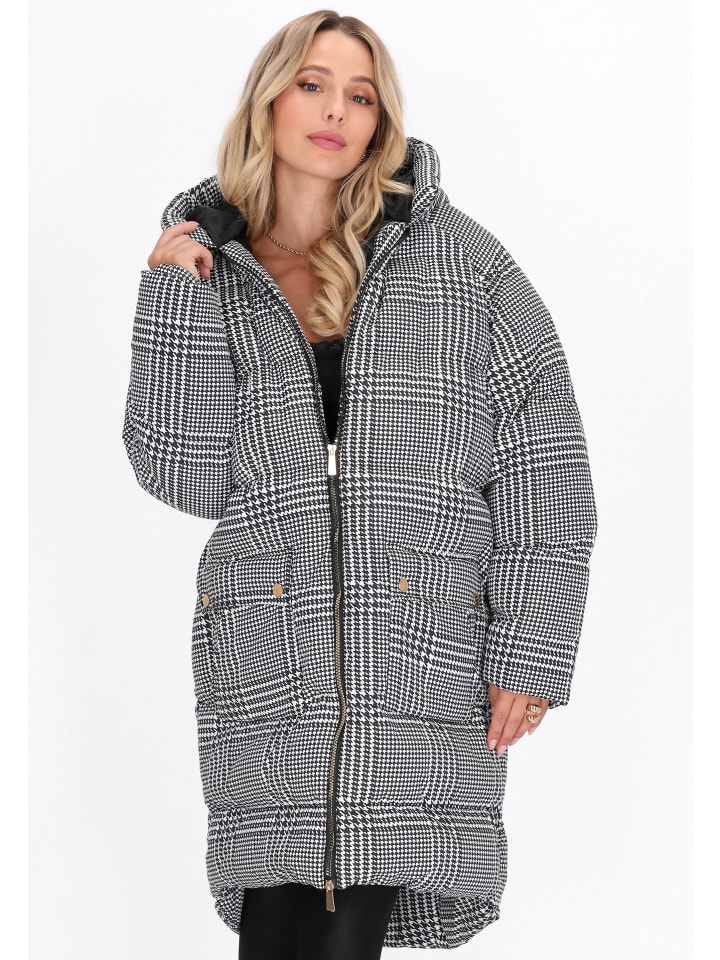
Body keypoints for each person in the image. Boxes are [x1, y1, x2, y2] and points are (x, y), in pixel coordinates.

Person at [121, 9, 598, 959]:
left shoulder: (463, 265)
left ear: (382, 121)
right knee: (275, 931)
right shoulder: (214, 270)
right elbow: (186, 473)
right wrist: (173, 298)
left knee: (342, 934)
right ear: (269, 99)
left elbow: (547, 461)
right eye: (312, 85)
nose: (336, 110)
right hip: (267, 655)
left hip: (419, 649)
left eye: (361, 95)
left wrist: (533, 645)